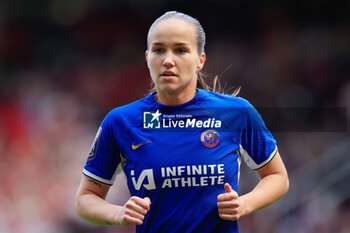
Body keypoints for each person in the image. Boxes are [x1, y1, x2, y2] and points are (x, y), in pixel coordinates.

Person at [75, 11, 289, 233]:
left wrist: (245, 204)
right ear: (148, 58)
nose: (168, 60)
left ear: (200, 60)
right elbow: (86, 198)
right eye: (159, 50)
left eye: (180, 50)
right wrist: (117, 214)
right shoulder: (120, 122)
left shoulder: (236, 112)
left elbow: (277, 177)